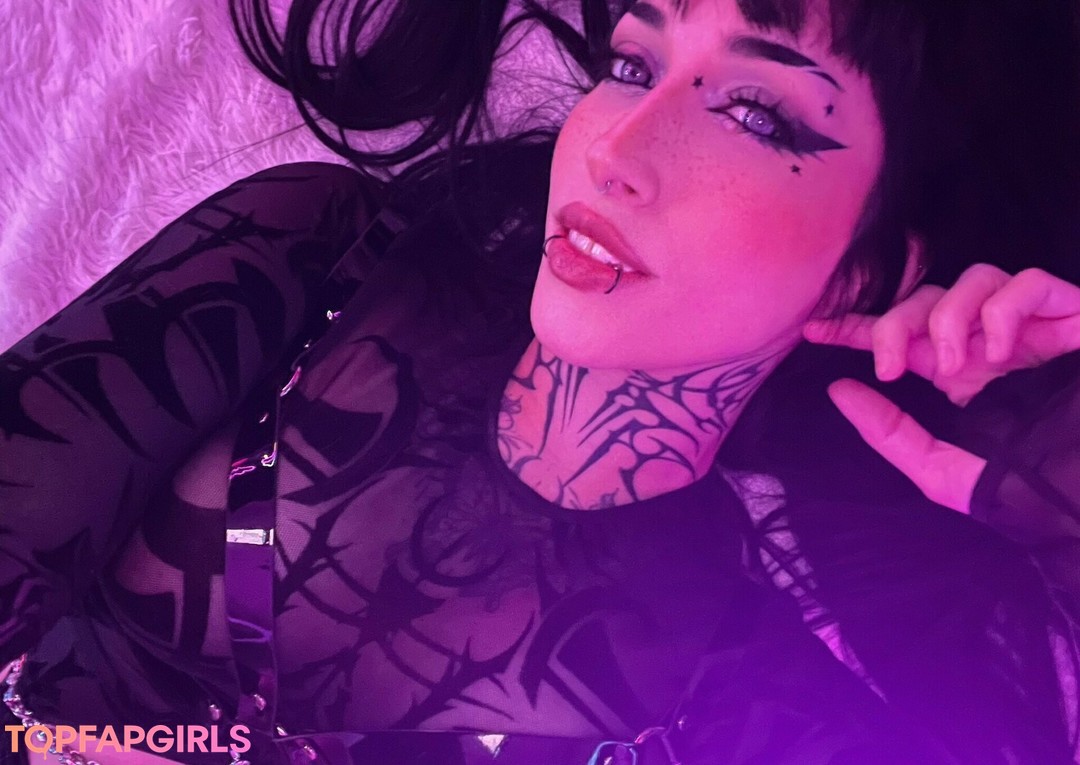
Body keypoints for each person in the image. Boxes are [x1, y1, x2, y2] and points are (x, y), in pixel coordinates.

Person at [1, 0, 1080, 762]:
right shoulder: (318, 254)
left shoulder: (757, 683)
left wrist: (1060, 486)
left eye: (755, 115)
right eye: (632, 66)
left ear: (869, 271)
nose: (617, 150)